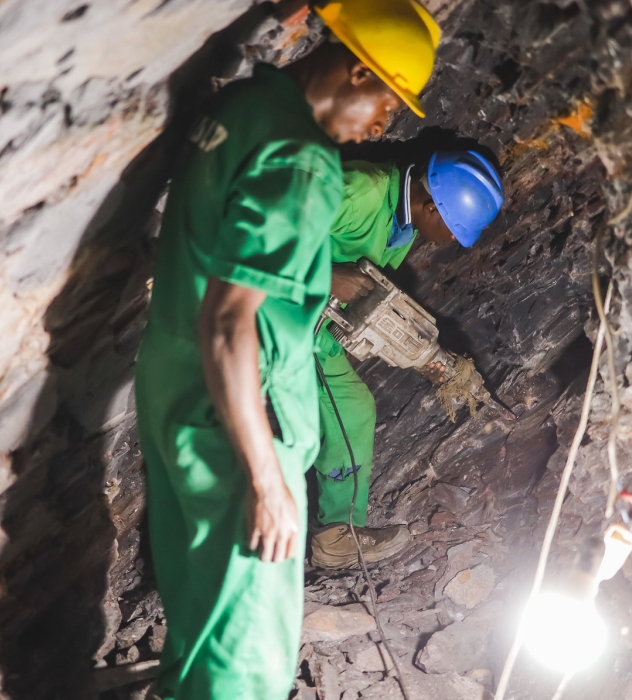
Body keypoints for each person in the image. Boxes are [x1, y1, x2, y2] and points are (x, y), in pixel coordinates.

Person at [132, 0, 440, 696]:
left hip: (172, 387)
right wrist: (268, 479)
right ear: (360, 70)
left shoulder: (243, 106)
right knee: (247, 662)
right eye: (389, 103)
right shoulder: (306, 161)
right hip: (239, 425)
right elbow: (230, 319)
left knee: (198, 629)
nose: (385, 125)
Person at [308, 150, 505, 569]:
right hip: (262, 318)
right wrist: (326, 273)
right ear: (432, 204)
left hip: (315, 338)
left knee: (355, 410)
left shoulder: (402, 228)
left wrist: (428, 358)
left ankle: (338, 536)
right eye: (453, 229)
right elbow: (259, 227)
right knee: (288, 435)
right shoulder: (362, 192)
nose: (452, 240)